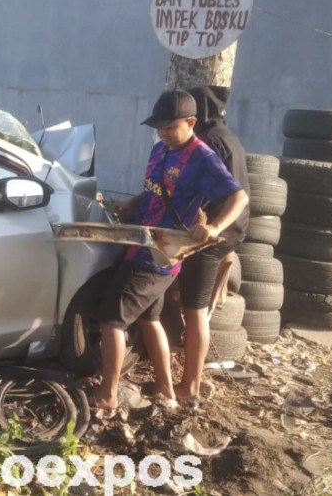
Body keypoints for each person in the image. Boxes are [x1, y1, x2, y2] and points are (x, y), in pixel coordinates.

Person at [98, 90, 248, 416]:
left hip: (160, 256)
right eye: (159, 127)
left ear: (191, 122)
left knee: (112, 321)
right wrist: (132, 204)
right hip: (141, 244)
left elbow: (239, 198)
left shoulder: (203, 158)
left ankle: (107, 398)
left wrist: (214, 228)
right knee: (149, 318)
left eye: (170, 126)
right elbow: (156, 188)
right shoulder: (161, 149)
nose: (163, 132)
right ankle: (166, 390)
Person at [171, 85, 251, 405]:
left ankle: (190, 386)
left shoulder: (209, 142)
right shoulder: (226, 135)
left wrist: (212, 226)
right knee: (193, 305)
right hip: (231, 229)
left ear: (195, 117)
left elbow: (209, 189)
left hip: (216, 232)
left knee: (194, 310)